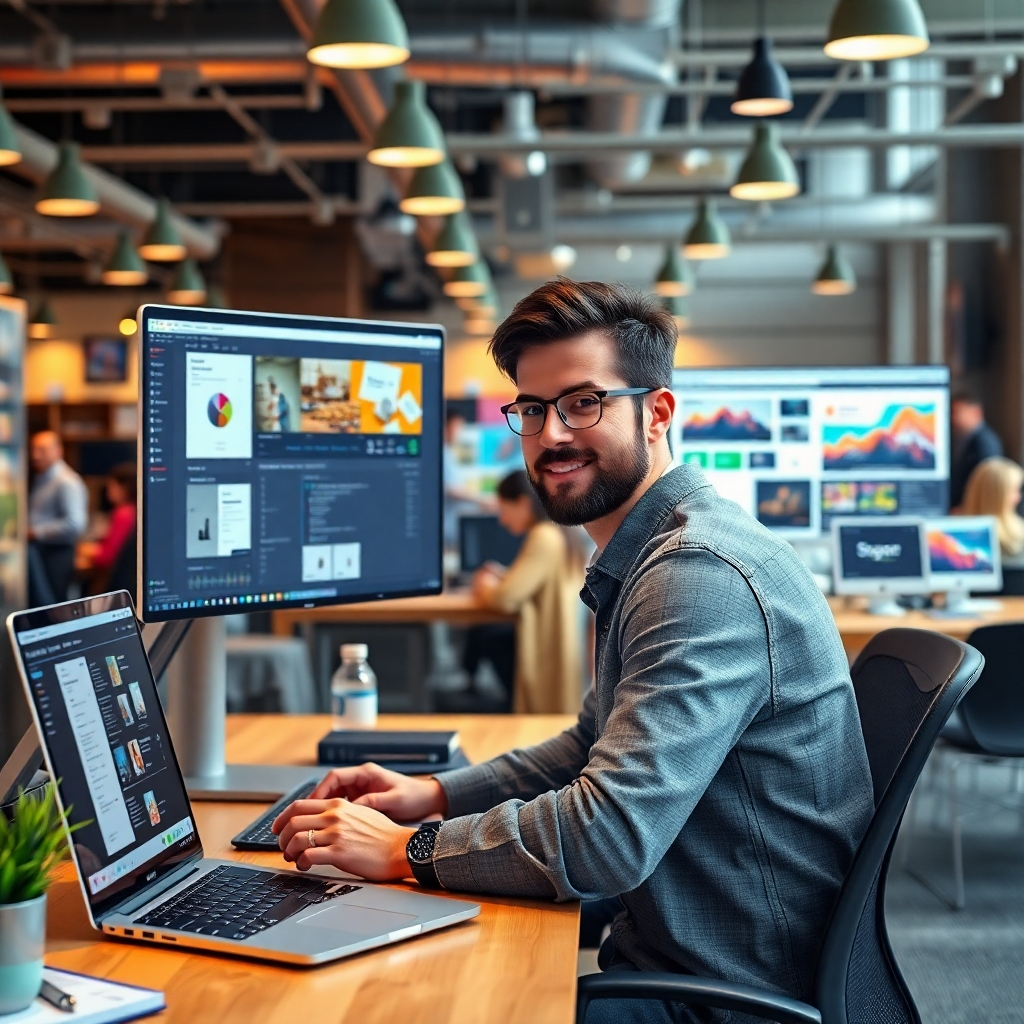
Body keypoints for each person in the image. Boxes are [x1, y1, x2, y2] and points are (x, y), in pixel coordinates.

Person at [272, 280, 873, 1024]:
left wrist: (409, 850)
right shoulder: (652, 553)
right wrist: (434, 796)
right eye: (531, 408)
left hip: (726, 996)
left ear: (657, 413)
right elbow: (589, 746)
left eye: (583, 402)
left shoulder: (697, 574)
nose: (551, 433)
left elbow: (609, 836)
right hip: (674, 948)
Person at [467, 469, 586, 713]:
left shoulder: (544, 536)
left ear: (522, 503)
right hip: (564, 646)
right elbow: (537, 584)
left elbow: (505, 598)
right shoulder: (560, 530)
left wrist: (484, 586)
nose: (501, 519)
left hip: (548, 654)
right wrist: (505, 576)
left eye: (503, 509)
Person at [28, 431, 88, 606]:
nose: (35, 455)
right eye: (33, 449)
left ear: (57, 450)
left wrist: (34, 532)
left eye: (42, 449)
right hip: (41, 552)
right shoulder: (41, 479)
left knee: (53, 608)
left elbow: (75, 524)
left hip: (56, 553)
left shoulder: (66, 482)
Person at [77, 462, 137, 589]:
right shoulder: (137, 510)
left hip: (117, 583)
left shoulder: (123, 514)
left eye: (111, 486)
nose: (108, 491)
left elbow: (106, 557)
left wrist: (86, 550)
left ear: (124, 487)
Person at [959, 456, 1024, 565]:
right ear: (998, 498)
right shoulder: (1017, 540)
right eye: (1014, 491)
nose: (1018, 498)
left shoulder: (958, 537)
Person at [950, 388, 1003, 509]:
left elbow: (988, 484)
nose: (954, 419)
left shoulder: (985, 442)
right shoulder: (960, 439)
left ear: (975, 412)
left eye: (958, 412)